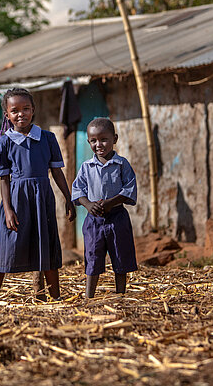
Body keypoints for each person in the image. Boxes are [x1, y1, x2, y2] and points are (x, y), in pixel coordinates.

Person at [0, 88, 76, 302]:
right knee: (5, 247)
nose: (21, 114)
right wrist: (8, 210)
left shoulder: (47, 138)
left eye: (26, 109)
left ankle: (56, 299)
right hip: (16, 201)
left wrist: (68, 198)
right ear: (7, 115)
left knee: (45, 245)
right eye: (15, 110)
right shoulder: (3, 143)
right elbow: (4, 180)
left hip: (42, 199)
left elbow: (56, 171)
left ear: (33, 110)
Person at [72, 117, 138, 298]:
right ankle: (89, 297)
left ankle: (120, 295)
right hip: (94, 220)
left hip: (117, 217)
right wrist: (88, 204)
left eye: (104, 139)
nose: (98, 144)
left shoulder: (122, 164)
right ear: (88, 142)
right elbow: (77, 189)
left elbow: (130, 189)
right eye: (93, 140)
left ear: (114, 139)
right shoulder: (86, 167)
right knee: (92, 256)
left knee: (120, 255)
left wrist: (110, 202)